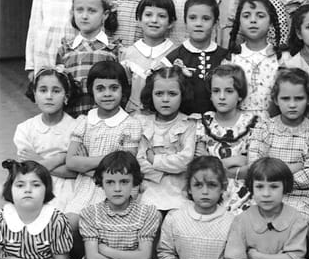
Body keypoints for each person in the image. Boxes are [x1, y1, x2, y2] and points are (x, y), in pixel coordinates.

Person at [57, 151, 165, 259]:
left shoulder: (147, 213)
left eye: (124, 182)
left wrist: (106, 250)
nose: (117, 188)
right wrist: (131, 258)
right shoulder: (90, 213)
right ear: (101, 183)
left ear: (135, 182)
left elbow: (143, 258)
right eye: (110, 182)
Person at [63, 62, 142, 232]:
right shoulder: (84, 121)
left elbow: (125, 167)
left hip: (116, 190)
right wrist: (112, 157)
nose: (107, 94)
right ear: (91, 90)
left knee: (102, 229)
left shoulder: (131, 124)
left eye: (114, 88)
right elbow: (71, 162)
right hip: (84, 189)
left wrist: (85, 163)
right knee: (68, 224)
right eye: (100, 88)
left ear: (123, 90)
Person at [248, 68, 309, 219]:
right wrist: (295, 167)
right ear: (276, 100)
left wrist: (271, 172)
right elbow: (255, 168)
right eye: (285, 98)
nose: (292, 105)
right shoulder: (264, 128)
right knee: (251, 222)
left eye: (299, 98)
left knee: (294, 223)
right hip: (265, 195)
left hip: (301, 199)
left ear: (308, 99)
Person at [195, 64, 257, 211]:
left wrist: (213, 162)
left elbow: (254, 167)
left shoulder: (252, 124)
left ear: (240, 95)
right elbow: (200, 163)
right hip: (209, 190)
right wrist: (235, 161)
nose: (222, 97)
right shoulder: (204, 122)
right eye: (216, 91)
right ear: (210, 94)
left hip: (245, 194)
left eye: (229, 91)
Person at [135, 66, 197, 212]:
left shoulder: (188, 124)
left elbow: (185, 161)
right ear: (150, 94)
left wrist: (155, 160)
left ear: (183, 95)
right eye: (159, 93)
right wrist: (166, 170)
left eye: (172, 94)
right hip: (149, 191)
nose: (165, 99)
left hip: (179, 192)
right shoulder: (142, 122)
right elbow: (139, 161)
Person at [15, 69, 77, 210]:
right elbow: (28, 167)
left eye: (56, 91)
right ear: (35, 95)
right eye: (43, 90)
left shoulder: (76, 127)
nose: (49, 96)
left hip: (68, 190)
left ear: (66, 96)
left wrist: (38, 161)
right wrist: (61, 158)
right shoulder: (25, 129)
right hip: (35, 186)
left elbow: (75, 172)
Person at [55, 0, 120, 117]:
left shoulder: (114, 49)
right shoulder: (65, 49)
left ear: (105, 15)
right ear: (73, 12)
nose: (84, 16)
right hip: (72, 118)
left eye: (92, 11)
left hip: (105, 119)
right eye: (79, 10)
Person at [164, 0, 228, 115]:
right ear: (185, 21)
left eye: (206, 18)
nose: (198, 23)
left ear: (215, 23)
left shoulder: (226, 58)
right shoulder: (172, 59)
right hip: (183, 122)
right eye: (192, 18)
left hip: (218, 121)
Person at [226, 0, 282, 121]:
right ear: (239, 21)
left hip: (273, 122)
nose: (253, 20)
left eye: (260, 16)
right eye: (246, 16)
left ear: (271, 22)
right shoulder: (232, 58)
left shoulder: (280, 57)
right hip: (238, 123)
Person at [119, 0, 177, 114]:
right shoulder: (128, 53)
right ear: (139, 20)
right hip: (133, 115)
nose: (154, 20)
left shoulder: (176, 53)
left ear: (171, 22)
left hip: (166, 116)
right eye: (148, 15)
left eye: (161, 16)